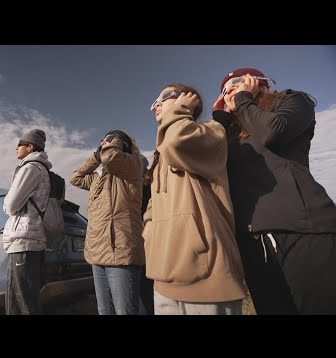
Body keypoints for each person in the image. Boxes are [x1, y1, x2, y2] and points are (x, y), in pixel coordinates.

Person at [212, 67, 336, 314]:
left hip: (303, 228)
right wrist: (222, 119)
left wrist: (243, 100)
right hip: (253, 242)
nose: (230, 89)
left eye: (237, 82)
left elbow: (273, 132)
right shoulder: (232, 132)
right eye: (225, 90)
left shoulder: (291, 101)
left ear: (258, 82)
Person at [143, 83, 246, 315]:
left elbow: (178, 141)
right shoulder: (160, 154)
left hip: (207, 278)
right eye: (154, 101)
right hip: (163, 279)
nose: (156, 105)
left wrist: (180, 110)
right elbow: (153, 205)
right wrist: (149, 234)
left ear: (189, 99)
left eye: (164, 97)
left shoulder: (211, 131)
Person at [70, 130, 145, 315]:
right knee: (104, 310)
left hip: (119, 251)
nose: (105, 142)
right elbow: (75, 178)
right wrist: (95, 157)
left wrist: (115, 138)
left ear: (122, 145)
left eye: (110, 140)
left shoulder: (134, 166)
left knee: (124, 311)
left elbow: (112, 158)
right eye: (104, 140)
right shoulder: (97, 177)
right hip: (97, 251)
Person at [2, 129, 51, 315]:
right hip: (32, 238)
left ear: (30, 147)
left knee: (19, 302)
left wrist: (5, 205)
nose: (16, 148)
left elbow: (12, 204)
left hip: (23, 240)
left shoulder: (30, 168)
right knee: (27, 299)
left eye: (20, 144)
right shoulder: (41, 168)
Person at [139, 154, 154, 315]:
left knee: (145, 287)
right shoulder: (151, 184)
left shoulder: (141, 187)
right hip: (147, 240)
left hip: (144, 240)